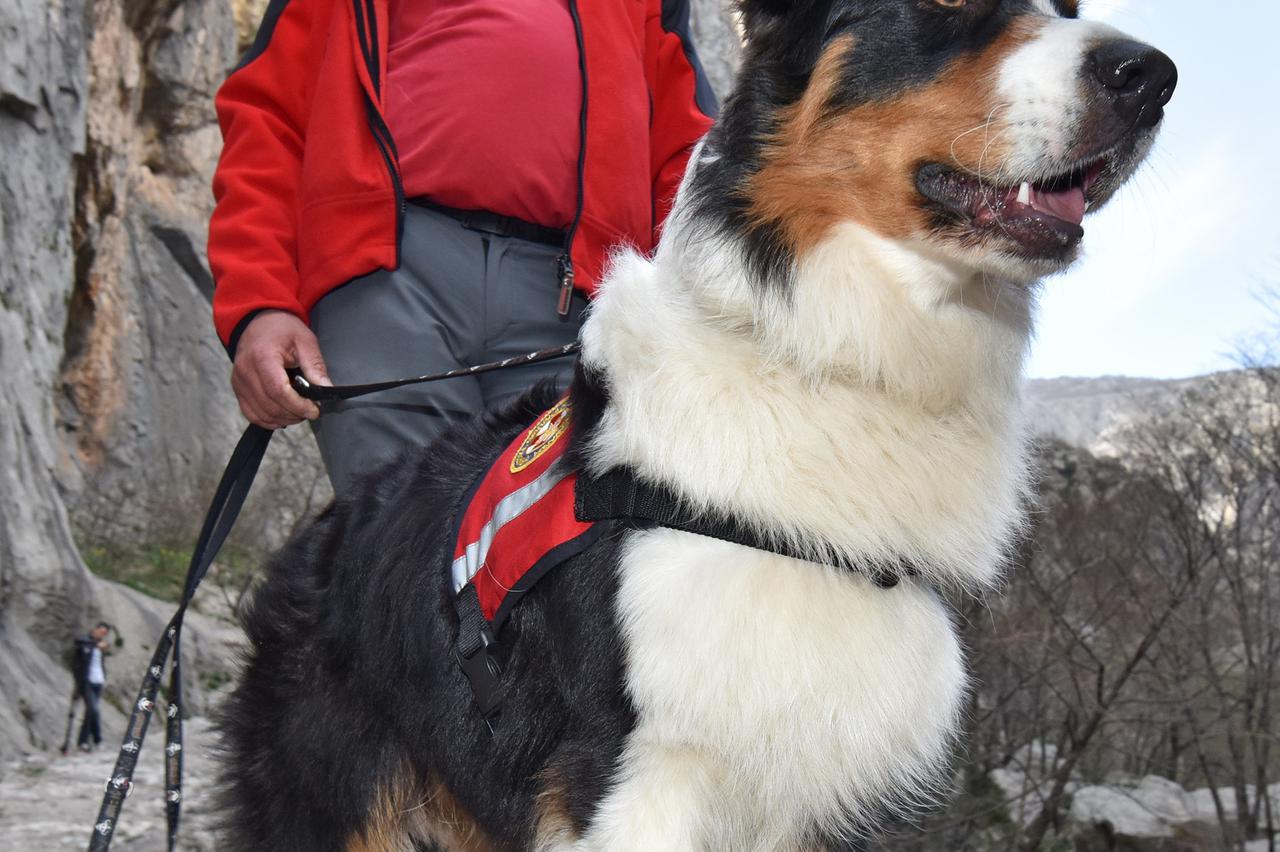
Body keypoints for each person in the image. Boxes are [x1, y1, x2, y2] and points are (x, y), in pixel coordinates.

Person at [209, 0, 717, 493]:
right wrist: (261, 303)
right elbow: (268, 119)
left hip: (582, 307)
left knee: (551, 560)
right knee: (396, 540)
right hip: (388, 279)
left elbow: (690, 154)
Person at [72, 622, 111, 752]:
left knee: (93, 711)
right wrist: (96, 645)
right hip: (86, 681)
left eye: (104, 633)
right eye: (101, 631)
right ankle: (88, 740)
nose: (102, 634)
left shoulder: (101, 646)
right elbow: (78, 642)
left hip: (98, 680)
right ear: (95, 630)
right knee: (92, 709)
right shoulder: (86, 641)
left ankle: (93, 741)